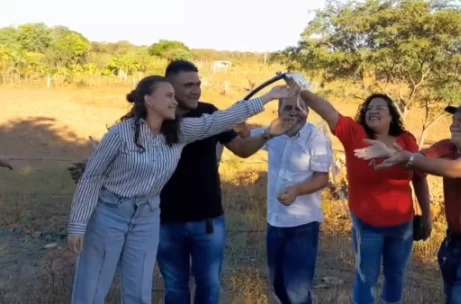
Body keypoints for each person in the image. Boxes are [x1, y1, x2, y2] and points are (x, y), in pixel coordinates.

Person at [68, 60, 296, 304]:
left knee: (140, 290)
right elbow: (93, 176)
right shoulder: (122, 133)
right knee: (94, 286)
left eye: (196, 84)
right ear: (149, 100)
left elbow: (219, 120)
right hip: (116, 213)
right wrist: (77, 225)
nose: (176, 100)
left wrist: (269, 97)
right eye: (170, 94)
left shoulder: (180, 131)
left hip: (149, 216)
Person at [284, 75, 432, 304]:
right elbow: (327, 110)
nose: (373, 111)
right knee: (366, 277)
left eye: (380, 107)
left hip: (402, 226)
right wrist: (301, 91)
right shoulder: (353, 133)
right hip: (368, 227)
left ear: (392, 116)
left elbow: (420, 178)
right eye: (369, 108)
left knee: (396, 274)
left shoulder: (406, 140)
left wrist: (427, 217)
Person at [357, 100, 461, 304]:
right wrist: (396, 155)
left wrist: (407, 158)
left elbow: (454, 169)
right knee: (453, 297)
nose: (453, 125)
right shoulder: (448, 146)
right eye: (454, 120)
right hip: (455, 241)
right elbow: (419, 161)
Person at [237, 95, 333, 304]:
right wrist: (240, 120)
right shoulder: (274, 132)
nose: (294, 113)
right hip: (275, 221)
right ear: (278, 111)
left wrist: (298, 190)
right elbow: (246, 137)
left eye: (300, 108)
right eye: (288, 108)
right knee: (278, 284)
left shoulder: (315, 137)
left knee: (296, 290)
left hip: (303, 224)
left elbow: (322, 178)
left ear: (308, 111)